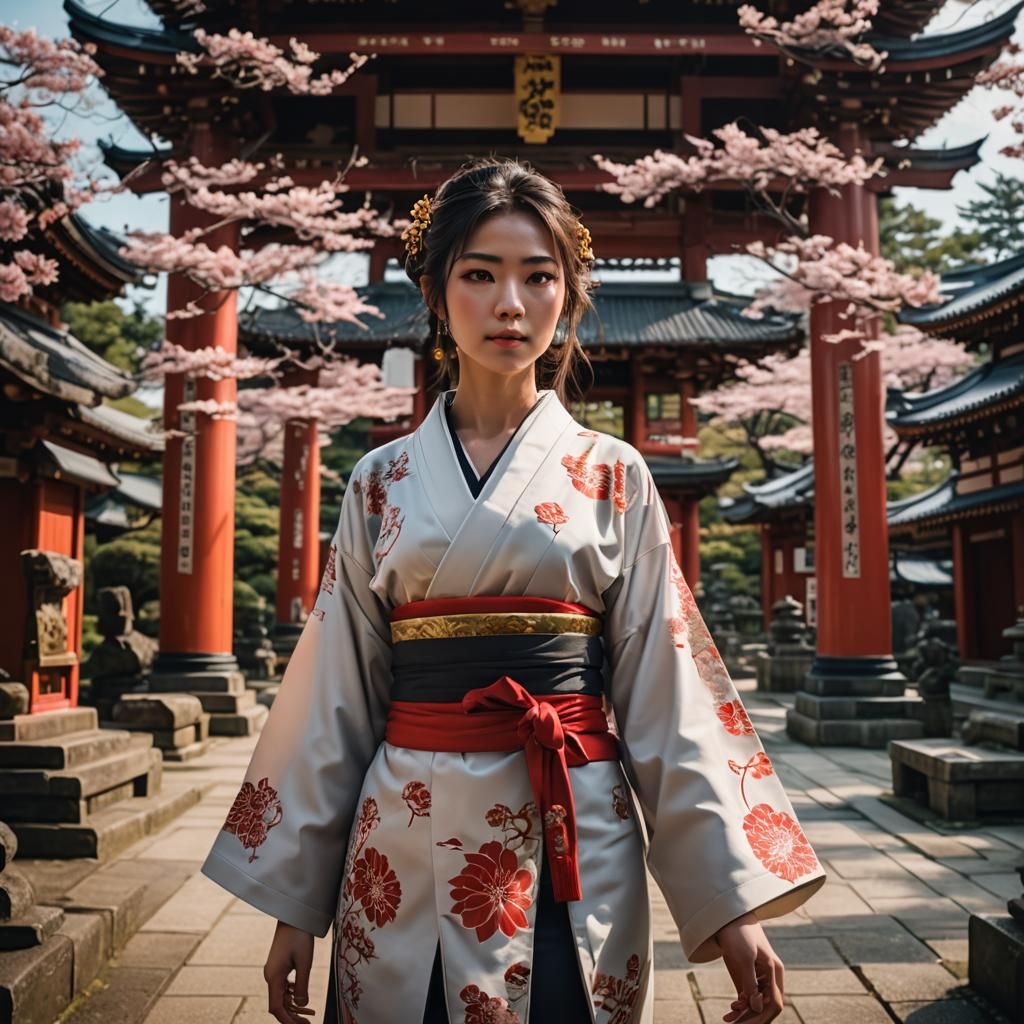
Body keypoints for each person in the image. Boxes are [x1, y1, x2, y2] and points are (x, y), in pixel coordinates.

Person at [201, 157, 825, 1024]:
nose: (510, 304)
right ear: (433, 289)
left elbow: (667, 689)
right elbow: (332, 697)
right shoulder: (379, 482)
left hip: (572, 822)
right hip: (402, 832)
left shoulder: (614, 474)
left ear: (568, 295)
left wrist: (732, 905)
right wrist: (293, 907)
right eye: (480, 275)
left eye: (539, 277)